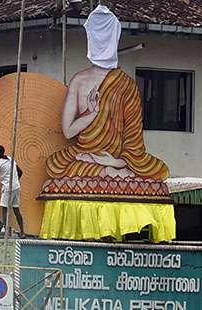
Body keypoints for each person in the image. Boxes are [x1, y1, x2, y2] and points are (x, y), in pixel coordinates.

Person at [45, 4, 169, 181]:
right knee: (55, 163)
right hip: (89, 155)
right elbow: (68, 132)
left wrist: (115, 161)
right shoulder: (86, 81)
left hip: (100, 160)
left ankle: (110, 169)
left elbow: (133, 140)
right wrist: (93, 113)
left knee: (60, 165)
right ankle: (112, 171)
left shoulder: (122, 84)